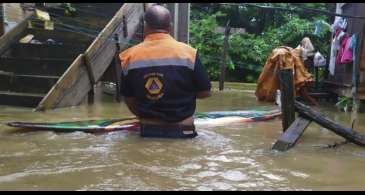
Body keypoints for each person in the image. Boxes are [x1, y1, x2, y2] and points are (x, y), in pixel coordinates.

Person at [119, 5, 211, 138]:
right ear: (170, 27)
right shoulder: (189, 53)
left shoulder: (128, 57)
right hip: (184, 130)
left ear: (145, 26)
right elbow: (205, 92)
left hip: (148, 131)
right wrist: (181, 95)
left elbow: (129, 98)